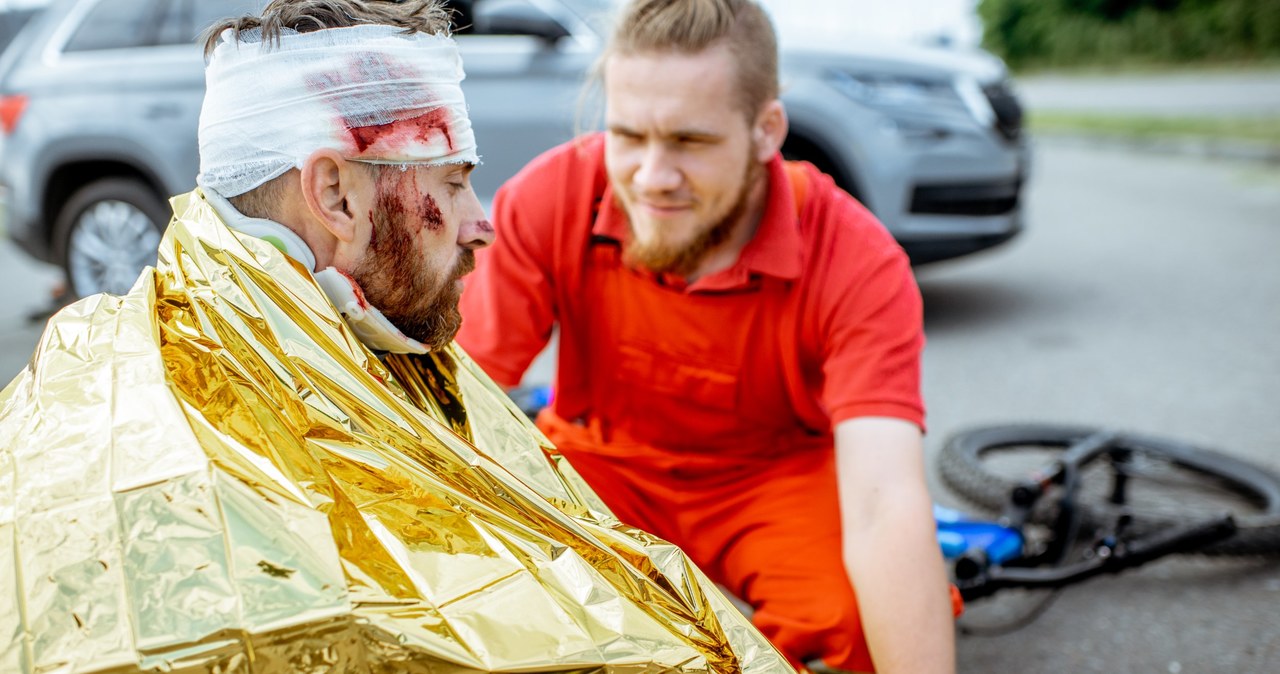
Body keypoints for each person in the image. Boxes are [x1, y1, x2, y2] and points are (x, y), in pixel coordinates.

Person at [0, 1, 791, 671]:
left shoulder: (337, 327)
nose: (483, 222)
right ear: (335, 196)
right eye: (452, 181)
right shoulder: (170, 448)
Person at [457, 0, 962, 671]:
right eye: (629, 136)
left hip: (775, 478)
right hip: (604, 462)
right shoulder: (547, 199)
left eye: (690, 142)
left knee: (857, 625)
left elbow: (884, 503)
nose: (652, 178)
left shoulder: (858, 259)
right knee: (518, 601)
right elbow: (463, 402)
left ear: (766, 130)